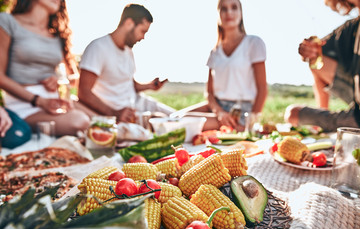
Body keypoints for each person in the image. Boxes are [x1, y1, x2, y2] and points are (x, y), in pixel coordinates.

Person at [0, 0, 94, 137]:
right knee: (80, 121)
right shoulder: (7, 21)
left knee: (104, 121)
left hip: (55, 101)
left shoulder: (57, 35)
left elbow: (73, 78)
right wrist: (40, 101)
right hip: (23, 105)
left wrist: (57, 79)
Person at [78, 4, 175, 130]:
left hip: (140, 103)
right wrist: (115, 113)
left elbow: (129, 84)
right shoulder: (98, 48)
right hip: (121, 113)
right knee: (168, 123)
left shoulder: (128, 52)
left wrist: (149, 86)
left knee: (180, 117)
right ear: (129, 23)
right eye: (143, 31)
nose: (143, 37)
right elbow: (84, 92)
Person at [175, 0, 267, 132]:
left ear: (241, 13)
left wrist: (250, 123)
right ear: (218, 14)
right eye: (224, 9)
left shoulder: (254, 43)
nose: (229, 12)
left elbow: (262, 88)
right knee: (174, 117)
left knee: (183, 122)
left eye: (234, 8)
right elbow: (210, 93)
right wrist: (219, 112)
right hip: (216, 107)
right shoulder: (215, 52)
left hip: (240, 111)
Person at [284, 0, 360, 132]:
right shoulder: (352, 26)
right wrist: (309, 50)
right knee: (292, 113)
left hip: (357, 119)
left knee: (293, 113)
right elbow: (316, 49)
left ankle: (326, 125)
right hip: (356, 109)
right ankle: (322, 118)